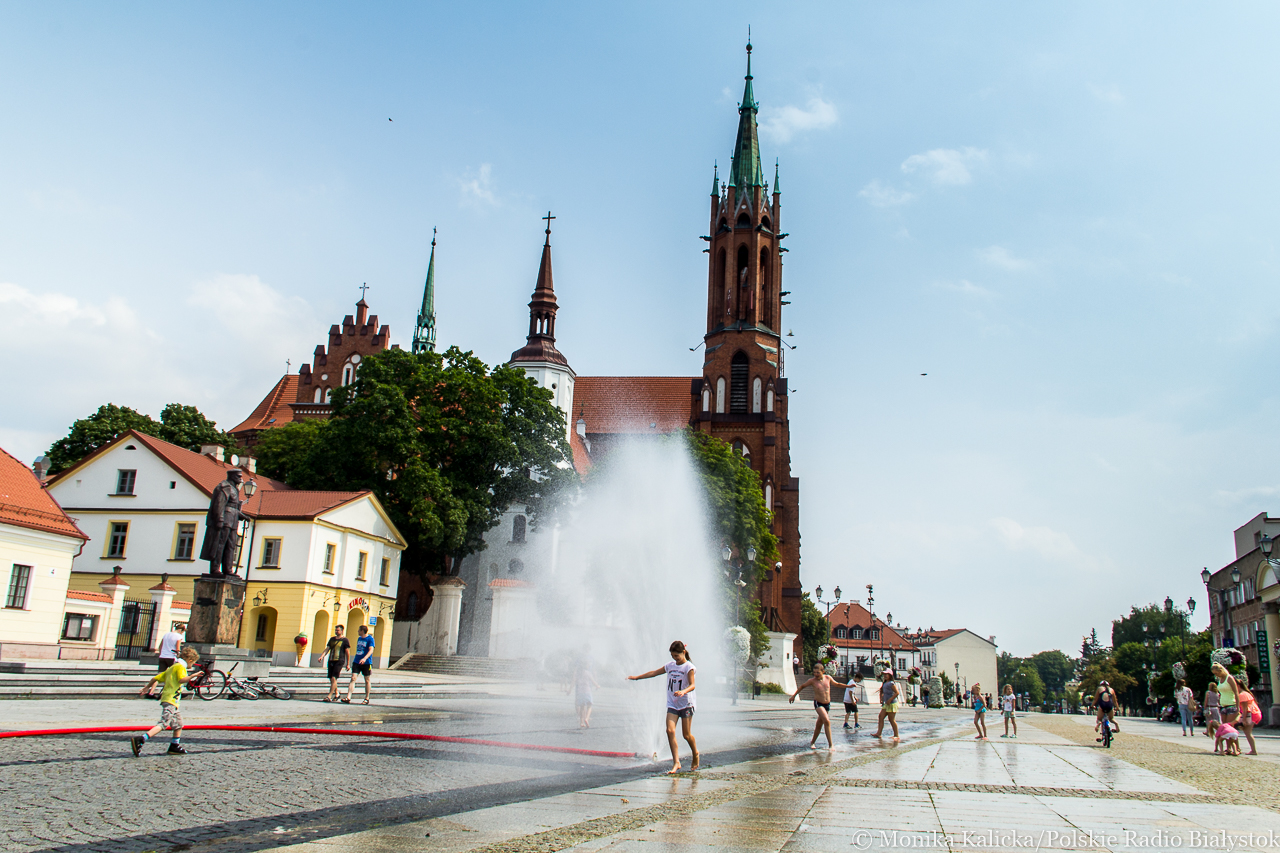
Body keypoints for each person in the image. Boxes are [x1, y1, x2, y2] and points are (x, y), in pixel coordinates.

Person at [629, 640, 698, 774]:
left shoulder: (688, 667)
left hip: (686, 704)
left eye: (677, 656)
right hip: (673, 704)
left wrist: (683, 691)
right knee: (670, 731)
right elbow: (654, 673)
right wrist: (637, 677)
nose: (675, 659)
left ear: (683, 653)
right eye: (673, 657)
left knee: (686, 735)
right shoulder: (670, 666)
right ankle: (676, 762)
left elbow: (692, 685)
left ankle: (695, 753)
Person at [130, 646, 200, 756]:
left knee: (178, 724)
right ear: (190, 660)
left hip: (171, 701)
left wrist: (147, 687)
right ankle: (141, 739)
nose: (192, 665)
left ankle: (174, 745)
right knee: (163, 723)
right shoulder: (181, 667)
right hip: (171, 700)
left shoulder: (172, 667)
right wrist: (193, 676)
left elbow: (155, 678)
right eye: (193, 663)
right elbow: (182, 679)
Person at [790, 663, 848, 749]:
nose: (816, 674)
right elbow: (802, 686)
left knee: (819, 724)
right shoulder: (812, 681)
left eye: (818, 673)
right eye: (814, 672)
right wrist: (793, 696)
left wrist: (848, 686)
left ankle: (812, 742)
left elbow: (837, 684)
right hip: (818, 703)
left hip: (827, 704)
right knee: (827, 721)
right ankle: (831, 745)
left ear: (823, 672)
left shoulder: (828, 678)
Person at [1211, 663, 1257, 756]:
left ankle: (1236, 748)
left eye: (1217, 673)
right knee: (1224, 729)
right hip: (1223, 706)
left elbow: (1236, 692)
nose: (1216, 675)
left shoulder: (1229, 678)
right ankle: (1228, 749)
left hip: (1231, 705)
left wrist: (1237, 707)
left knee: (1229, 728)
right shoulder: (1220, 680)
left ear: (1221, 670)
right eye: (1214, 674)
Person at [343, 625, 375, 705]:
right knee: (353, 678)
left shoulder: (370, 639)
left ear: (362, 631)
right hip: (357, 661)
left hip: (366, 662)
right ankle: (348, 697)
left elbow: (371, 650)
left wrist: (364, 658)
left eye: (359, 630)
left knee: (367, 679)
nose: (358, 631)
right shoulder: (359, 638)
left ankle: (367, 698)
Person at [321, 624, 350, 703]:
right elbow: (328, 648)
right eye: (336, 630)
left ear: (341, 631)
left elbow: (347, 652)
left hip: (339, 660)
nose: (336, 632)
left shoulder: (345, 640)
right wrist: (322, 656)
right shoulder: (332, 639)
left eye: (338, 630)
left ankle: (329, 696)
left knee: (334, 678)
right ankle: (337, 693)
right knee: (331, 678)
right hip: (331, 660)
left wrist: (348, 663)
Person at [872, 670, 902, 742]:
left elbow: (897, 693)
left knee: (891, 719)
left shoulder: (891, 683)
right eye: (884, 674)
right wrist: (882, 699)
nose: (885, 676)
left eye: (886, 674)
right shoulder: (885, 683)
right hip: (886, 704)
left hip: (892, 703)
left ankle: (896, 735)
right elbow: (882, 691)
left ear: (890, 675)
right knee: (880, 716)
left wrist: (890, 699)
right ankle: (879, 733)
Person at [572, 658, 599, 728]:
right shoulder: (588, 673)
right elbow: (593, 681)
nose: (589, 665)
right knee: (589, 706)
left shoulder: (578, 673)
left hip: (580, 692)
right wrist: (597, 686)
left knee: (582, 707)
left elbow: (574, 682)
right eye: (588, 664)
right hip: (587, 692)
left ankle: (581, 722)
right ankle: (586, 718)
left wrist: (569, 690)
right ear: (586, 665)